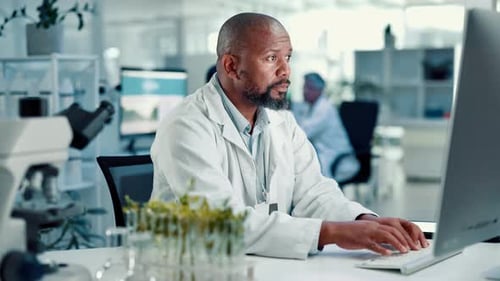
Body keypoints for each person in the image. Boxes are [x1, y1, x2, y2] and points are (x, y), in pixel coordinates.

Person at [150, 12, 428, 259]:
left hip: (258, 263)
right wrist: (332, 233)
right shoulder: (186, 126)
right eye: (272, 58)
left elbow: (313, 192)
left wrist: (364, 221)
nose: (286, 71)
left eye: (288, 58)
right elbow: (222, 223)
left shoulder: (280, 120)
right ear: (231, 66)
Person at [292, 72, 359, 182]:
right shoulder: (311, 107)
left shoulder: (324, 109)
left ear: (318, 90)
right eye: (304, 87)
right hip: (324, 154)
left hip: (337, 158)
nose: (304, 92)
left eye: (308, 88)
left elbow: (303, 133)